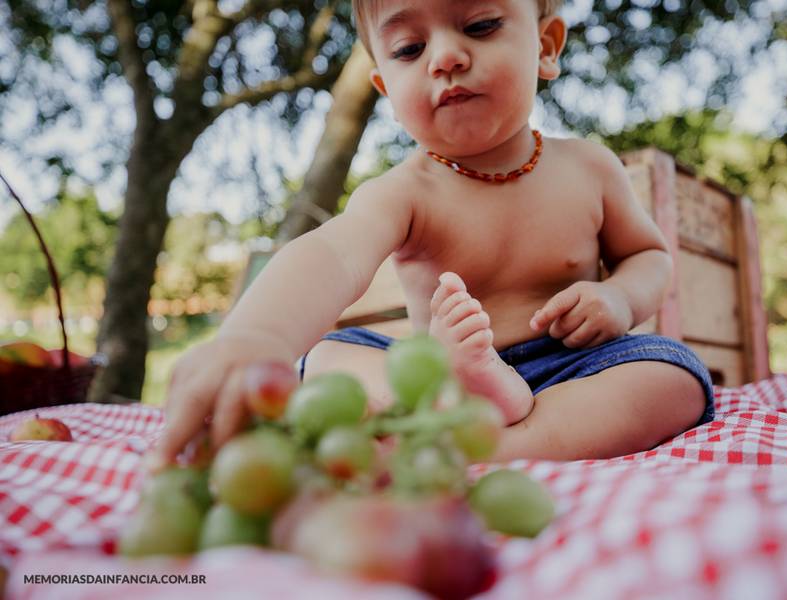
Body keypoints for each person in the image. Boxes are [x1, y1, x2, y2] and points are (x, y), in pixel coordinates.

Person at [144, 0, 715, 472]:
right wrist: (258, 336)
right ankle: (461, 417)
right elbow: (331, 253)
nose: (445, 57)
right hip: (438, 376)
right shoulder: (402, 191)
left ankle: (481, 446)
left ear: (545, 46)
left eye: (481, 25)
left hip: (570, 371)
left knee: (671, 375)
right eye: (409, 49)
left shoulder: (591, 168)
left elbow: (647, 256)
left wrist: (619, 298)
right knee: (325, 359)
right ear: (386, 88)